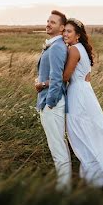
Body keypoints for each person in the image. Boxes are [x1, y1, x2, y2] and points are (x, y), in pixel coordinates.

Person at [61, 18, 103, 187]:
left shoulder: (74, 50)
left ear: (78, 35)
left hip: (77, 93)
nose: (65, 34)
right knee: (93, 127)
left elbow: (65, 77)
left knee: (79, 130)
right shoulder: (81, 48)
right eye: (64, 30)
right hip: (86, 90)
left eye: (69, 31)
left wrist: (44, 82)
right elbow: (86, 75)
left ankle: (97, 171)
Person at [34, 10, 71, 190]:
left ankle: (64, 189)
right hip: (50, 101)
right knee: (59, 145)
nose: (48, 24)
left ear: (62, 27)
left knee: (57, 148)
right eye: (48, 21)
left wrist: (50, 103)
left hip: (52, 104)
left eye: (53, 22)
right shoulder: (53, 45)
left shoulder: (56, 47)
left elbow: (57, 78)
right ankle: (65, 185)